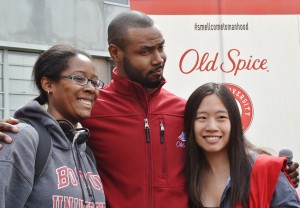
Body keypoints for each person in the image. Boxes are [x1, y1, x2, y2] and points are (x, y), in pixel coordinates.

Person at [0, 11, 299, 207]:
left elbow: (230, 145)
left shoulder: (184, 110)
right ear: (115, 53)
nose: (159, 58)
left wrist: (275, 169)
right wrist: (11, 129)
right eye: (145, 51)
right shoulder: (92, 108)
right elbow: (47, 120)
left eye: (161, 47)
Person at [0, 45, 106, 207]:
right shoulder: (22, 137)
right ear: (48, 84)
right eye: (79, 78)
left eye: (94, 82)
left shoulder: (86, 152)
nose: (91, 89)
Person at [184, 82, 300, 207]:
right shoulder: (182, 178)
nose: (212, 127)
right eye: (202, 118)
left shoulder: (266, 171)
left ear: (234, 123)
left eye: (221, 117)